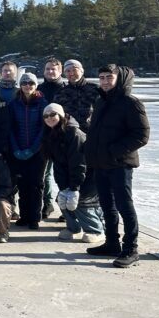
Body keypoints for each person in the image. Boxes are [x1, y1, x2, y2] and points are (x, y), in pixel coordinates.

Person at [84, 65, 150, 268]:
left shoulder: (131, 103)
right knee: (106, 205)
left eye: (109, 77)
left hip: (120, 164)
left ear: (119, 79)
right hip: (100, 163)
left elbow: (141, 135)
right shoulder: (101, 101)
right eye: (102, 77)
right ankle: (111, 242)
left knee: (124, 206)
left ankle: (131, 249)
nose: (104, 81)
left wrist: (114, 151)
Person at [41, 103, 105, 245]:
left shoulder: (74, 133)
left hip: (90, 175)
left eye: (53, 114)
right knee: (62, 200)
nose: (49, 118)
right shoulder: (51, 134)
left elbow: (79, 164)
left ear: (61, 115)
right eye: (46, 116)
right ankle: (74, 228)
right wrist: (63, 187)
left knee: (81, 202)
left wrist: (75, 188)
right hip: (72, 175)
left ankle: (96, 230)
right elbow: (58, 165)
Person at [7, 71, 47, 229]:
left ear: (35, 85)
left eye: (31, 83)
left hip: (38, 151)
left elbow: (44, 129)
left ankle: (34, 217)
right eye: (24, 83)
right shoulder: (14, 104)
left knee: (36, 184)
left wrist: (34, 148)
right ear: (20, 85)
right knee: (22, 184)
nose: (27, 86)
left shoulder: (42, 103)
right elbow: (10, 128)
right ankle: (24, 216)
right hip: (18, 149)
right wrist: (16, 148)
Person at [37, 57, 66, 220]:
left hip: (62, 137)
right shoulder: (39, 89)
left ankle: (65, 207)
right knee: (45, 173)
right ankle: (47, 203)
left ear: (60, 71)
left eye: (53, 69)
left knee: (63, 172)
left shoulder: (65, 89)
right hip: (44, 137)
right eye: (47, 69)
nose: (50, 71)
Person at [55, 59, 100, 133]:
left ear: (82, 71)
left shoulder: (96, 89)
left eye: (74, 70)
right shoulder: (61, 93)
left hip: (92, 133)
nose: (71, 73)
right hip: (69, 134)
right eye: (68, 71)